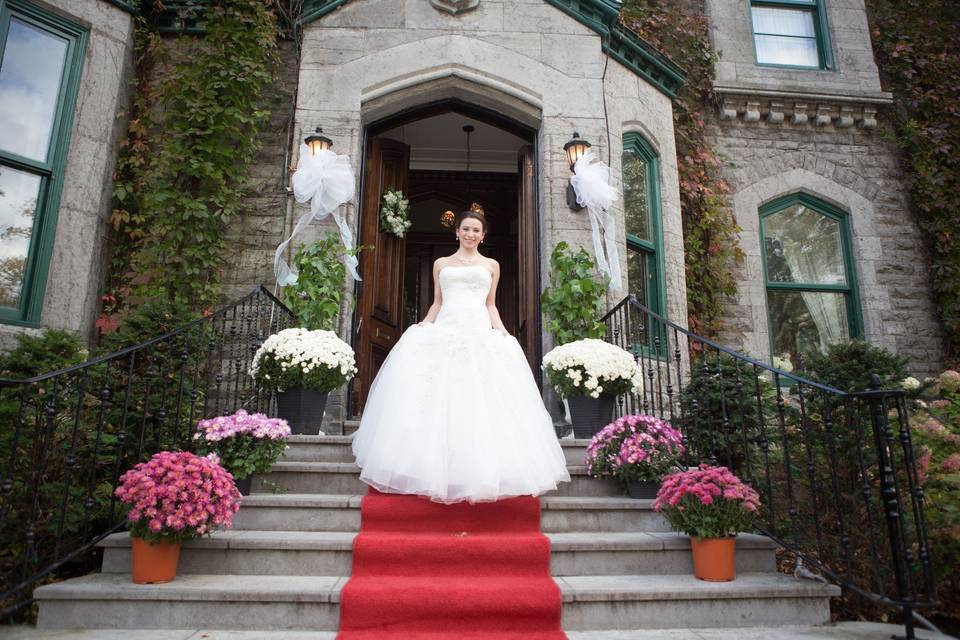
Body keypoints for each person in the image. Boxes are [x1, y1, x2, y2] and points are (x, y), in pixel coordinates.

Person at [351, 208, 571, 503]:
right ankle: (431, 465)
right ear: (457, 232)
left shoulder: (492, 265)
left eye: (476, 230)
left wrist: (503, 331)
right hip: (446, 329)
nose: (470, 234)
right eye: (465, 229)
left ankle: (479, 464)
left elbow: (490, 304)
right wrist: (425, 323)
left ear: (483, 236)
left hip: (478, 330)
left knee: (479, 397)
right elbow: (438, 302)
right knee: (439, 396)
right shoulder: (441, 264)